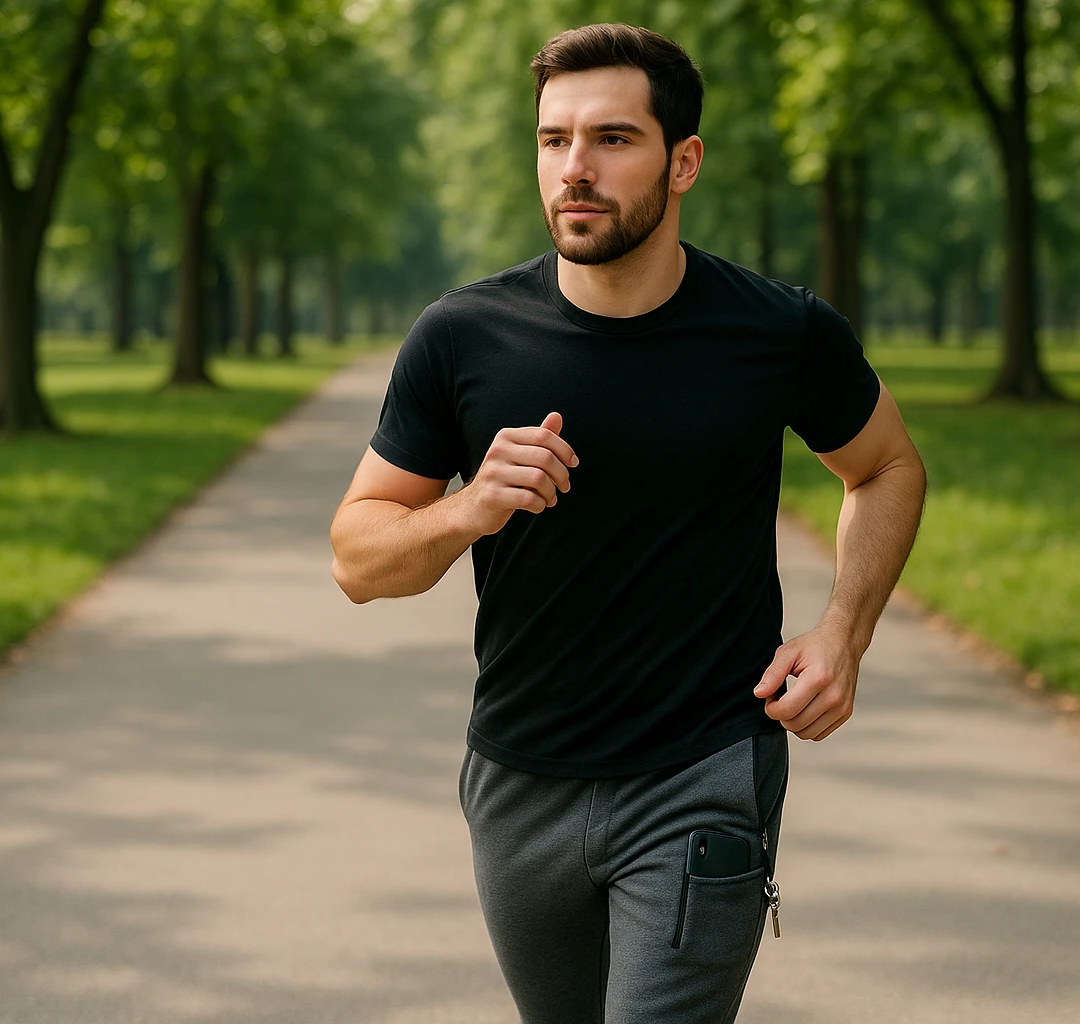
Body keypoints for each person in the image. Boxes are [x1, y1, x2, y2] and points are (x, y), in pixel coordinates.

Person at [329, 22, 926, 1024]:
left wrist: (844, 633)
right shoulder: (463, 336)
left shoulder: (776, 332)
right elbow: (357, 557)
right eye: (554, 140)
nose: (575, 168)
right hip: (520, 779)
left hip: (702, 773)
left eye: (612, 139)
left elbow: (887, 467)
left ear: (683, 160)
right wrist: (471, 504)